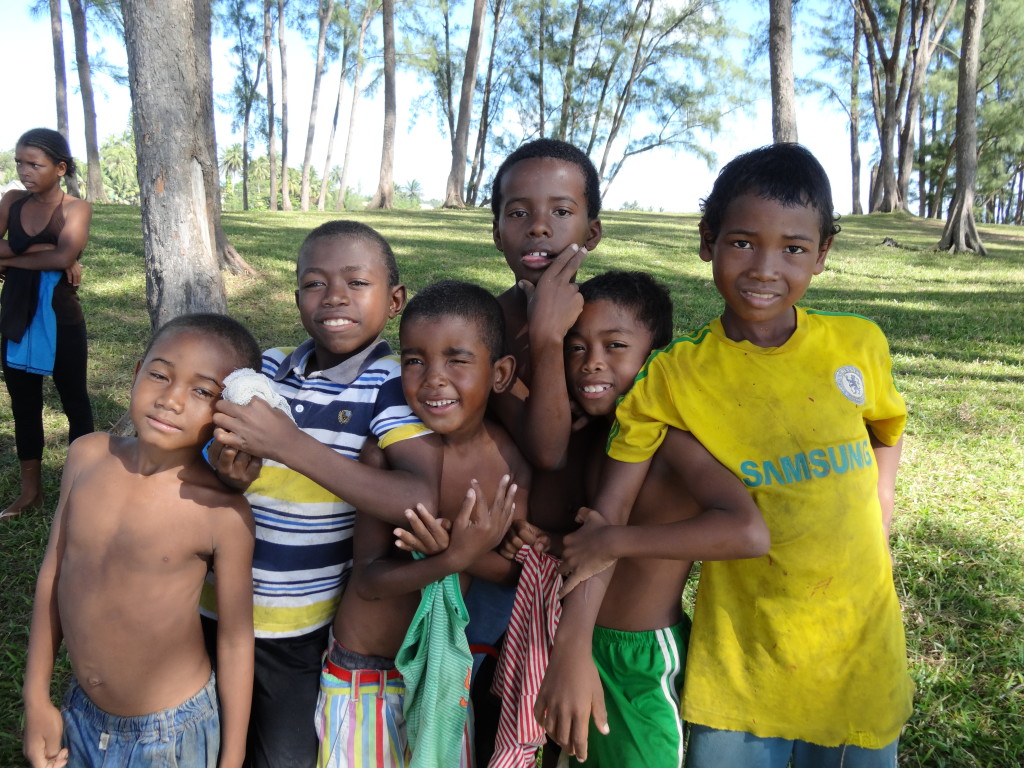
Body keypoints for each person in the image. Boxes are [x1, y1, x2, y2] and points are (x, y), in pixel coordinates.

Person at [542, 144, 912, 767]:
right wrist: (573, 650)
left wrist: (881, 496)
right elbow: (605, 520)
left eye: (794, 248)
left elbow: (886, 425)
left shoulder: (859, 344)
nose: (766, 267)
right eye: (742, 242)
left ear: (822, 254)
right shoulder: (674, 378)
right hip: (742, 668)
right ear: (707, 239)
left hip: (860, 655)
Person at [496, 272, 767, 768]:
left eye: (615, 345)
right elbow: (595, 543)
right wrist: (552, 542)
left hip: (642, 658)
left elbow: (746, 530)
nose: (591, 361)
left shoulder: (670, 441)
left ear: (656, 355)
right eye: (575, 348)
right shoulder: (599, 437)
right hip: (579, 637)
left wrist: (617, 540)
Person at [205, 220, 442, 768]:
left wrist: (288, 443)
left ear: (395, 299)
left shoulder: (390, 384)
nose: (334, 296)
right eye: (315, 283)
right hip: (211, 607)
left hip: (297, 628)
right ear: (296, 298)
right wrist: (225, 468)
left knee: (280, 755)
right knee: (206, 739)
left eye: (357, 283)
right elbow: (209, 455)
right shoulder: (264, 368)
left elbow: (418, 497)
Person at [22, 313, 259, 768]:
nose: (170, 399)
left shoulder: (222, 513)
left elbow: (234, 641)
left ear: (229, 411)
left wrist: (232, 758)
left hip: (171, 738)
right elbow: (54, 572)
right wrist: (36, 699)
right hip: (79, 716)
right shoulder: (87, 455)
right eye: (159, 374)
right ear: (136, 373)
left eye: (202, 391)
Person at [314, 279, 528, 768]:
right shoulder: (384, 455)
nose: (433, 379)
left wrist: (464, 553)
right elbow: (368, 580)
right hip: (365, 681)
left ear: (499, 373)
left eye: (457, 360)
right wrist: (453, 558)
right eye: (414, 360)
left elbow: (516, 572)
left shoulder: (510, 462)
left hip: (446, 679)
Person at [0, 128, 94, 520]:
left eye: (35, 164)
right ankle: (31, 492)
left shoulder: (76, 209)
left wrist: (17, 256)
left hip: (62, 320)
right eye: (20, 162)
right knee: (24, 405)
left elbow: (64, 256)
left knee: (75, 401)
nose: (25, 171)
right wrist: (42, 250)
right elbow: (55, 256)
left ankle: (82, 491)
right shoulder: (11, 201)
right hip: (15, 316)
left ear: (60, 168)